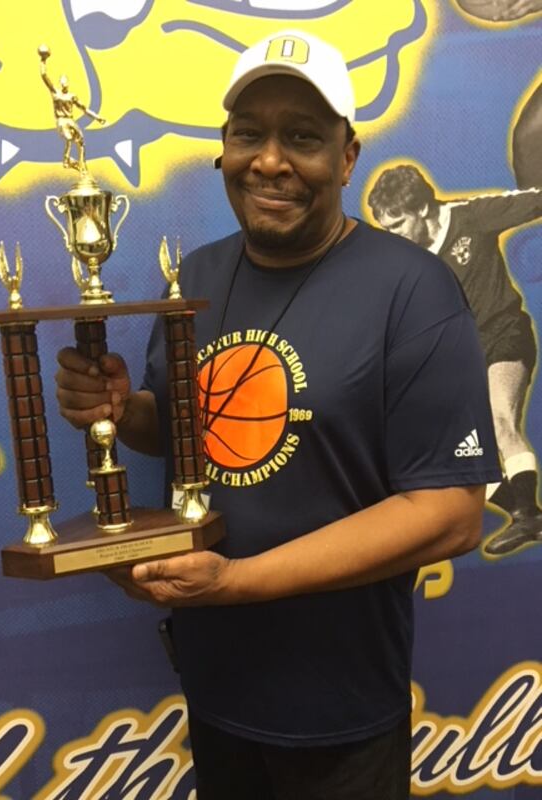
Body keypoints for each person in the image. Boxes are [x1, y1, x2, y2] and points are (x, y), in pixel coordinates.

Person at [56, 31, 500, 800]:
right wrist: (124, 413)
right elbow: (196, 434)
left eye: (302, 136)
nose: (270, 160)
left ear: (347, 156)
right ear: (224, 148)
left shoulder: (413, 291)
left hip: (341, 711)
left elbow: (452, 513)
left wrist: (235, 582)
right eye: (249, 133)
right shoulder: (193, 275)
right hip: (218, 689)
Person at [367, 164, 542, 557]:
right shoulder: (402, 259)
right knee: (451, 449)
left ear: (423, 211)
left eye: (398, 224)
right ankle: (524, 512)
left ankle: (528, 513)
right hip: (459, 357)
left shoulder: (471, 218)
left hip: (505, 335)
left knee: (499, 420)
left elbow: (533, 203)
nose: (392, 235)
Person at [38, 45, 105, 173]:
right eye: (62, 82)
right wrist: (43, 60)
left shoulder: (72, 97)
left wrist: (97, 118)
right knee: (69, 138)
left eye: (66, 82)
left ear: (68, 84)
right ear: (60, 84)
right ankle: (66, 159)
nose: (64, 84)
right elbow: (44, 76)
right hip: (62, 120)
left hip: (70, 120)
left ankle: (82, 165)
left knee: (81, 142)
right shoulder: (55, 93)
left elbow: (84, 109)